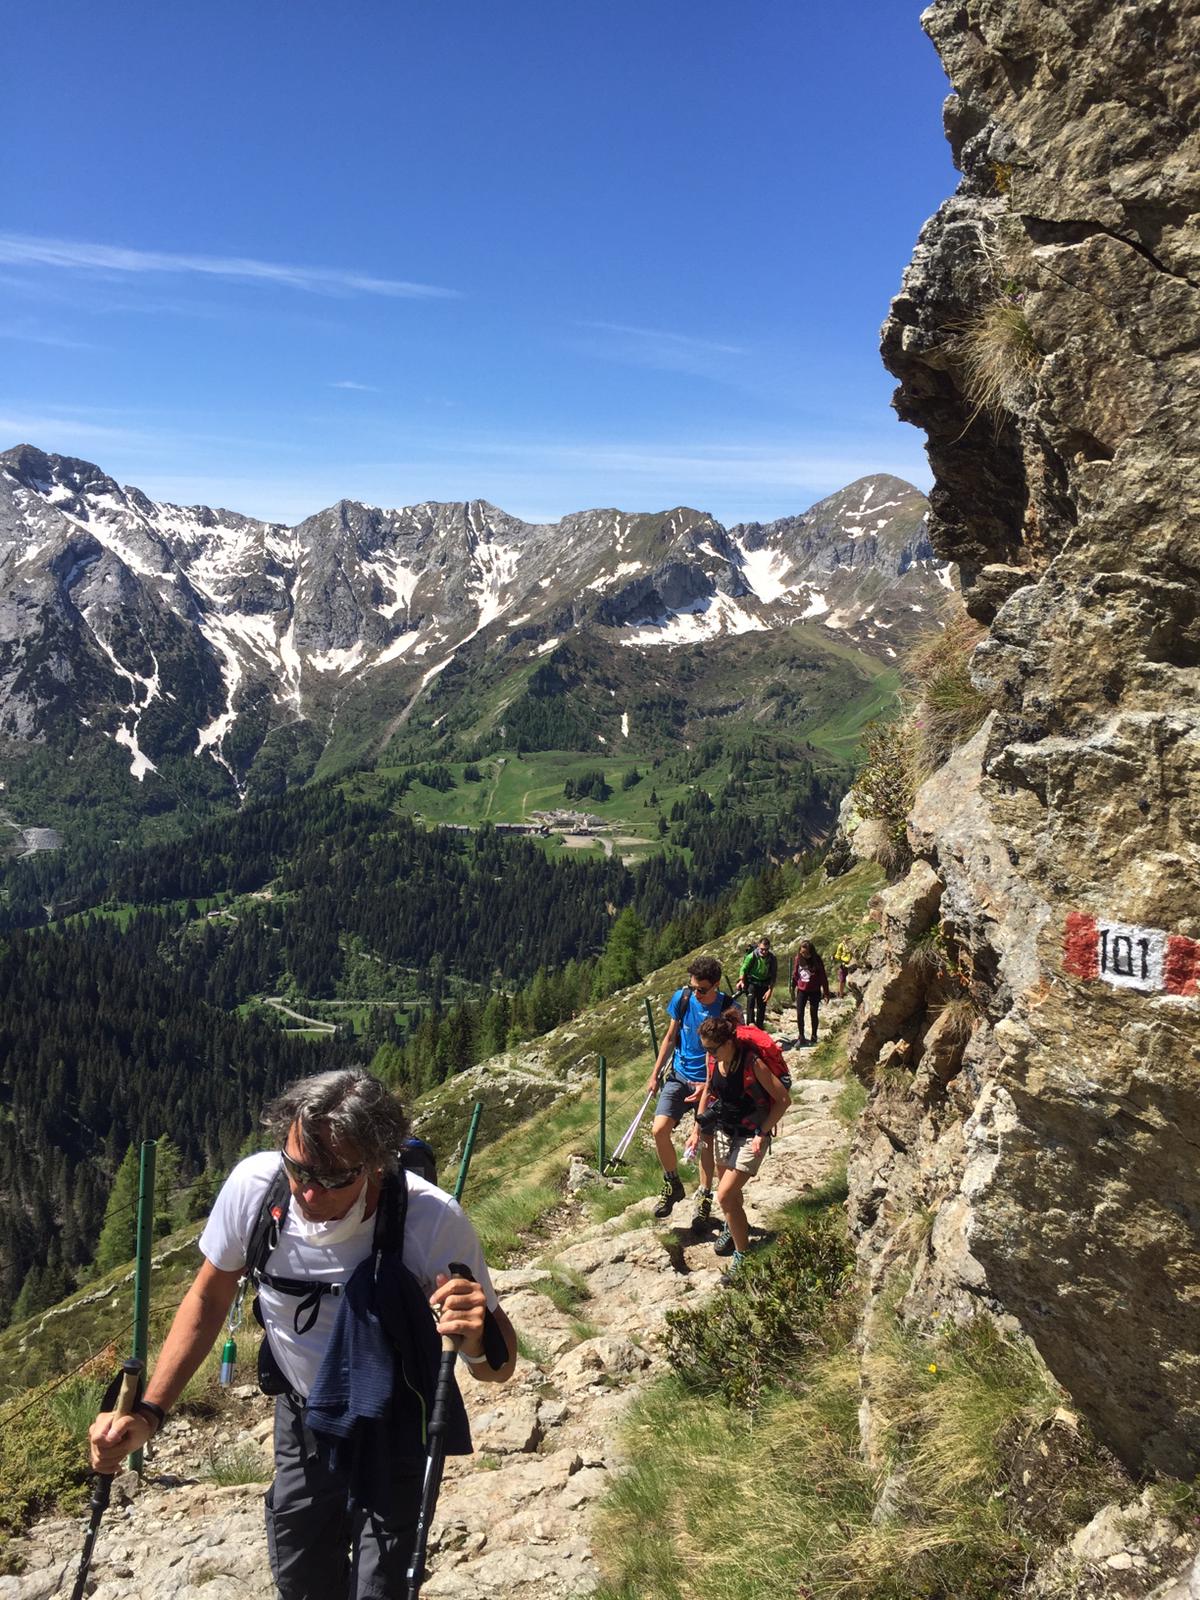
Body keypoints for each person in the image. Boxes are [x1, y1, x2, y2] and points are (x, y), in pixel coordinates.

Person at [89, 1069, 517, 1600]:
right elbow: (207, 1300)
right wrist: (149, 1413)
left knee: (382, 1585)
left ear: (377, 1163)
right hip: (303, 1414)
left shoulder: (431, 1220)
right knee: (300, 1577)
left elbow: (499, 1368)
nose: (309, 1191)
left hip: (396, 1425)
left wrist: (474, 1340)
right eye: (298, 1168)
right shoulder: (255, 1189)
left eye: (334, 1177)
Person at [695, 1010, 791, 1283]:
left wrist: (763, 1132)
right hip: (724, 1131)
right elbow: (708, 1090)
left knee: (724, 1195)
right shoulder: (715, 1060)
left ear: (728, 1043)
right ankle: (735, 1227)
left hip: (751, 1135)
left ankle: (743, 1255)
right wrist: (697, 1128)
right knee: (732, 1196)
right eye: (706, 1049)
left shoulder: (753, 1063)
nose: (709, 1054)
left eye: (712, 1049)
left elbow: (783, 1100)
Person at [645, 955, 737, 1225]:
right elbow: (670, 1037)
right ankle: (672, 1182)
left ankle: (704, 1195)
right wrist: (655, 1074)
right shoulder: (683, 998)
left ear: (716, 985)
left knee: (705, 1140)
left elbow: (730, 1056)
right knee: (659, 1130)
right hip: (680, 1076)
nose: (696, 993)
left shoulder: (728, 1010)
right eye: (693, 987)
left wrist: (709, 1086)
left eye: (702, 989)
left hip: (711, 1083)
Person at [791, 937, 831, 1045]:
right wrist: (793, 988)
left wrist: (826, 993)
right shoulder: (798, 958)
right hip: (801, 990)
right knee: (800, 1013)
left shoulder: (816, 960)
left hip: (814, 990)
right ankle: (801, 1036)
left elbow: (823, 977)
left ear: (810, 952)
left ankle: (814, 1036)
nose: (804, 955)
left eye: (806, 953)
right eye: (802, 952)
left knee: (813, 1013)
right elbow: (795, 974)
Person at [735, 935, 777, 1029]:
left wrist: (770, 990)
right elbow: (743, 969)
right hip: (752, 982)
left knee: (762, 1006)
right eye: (762, 949)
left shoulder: (772, 958)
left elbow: (773, 975)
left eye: (766, 950)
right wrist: (742, 981)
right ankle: (750, 1024)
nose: (764, 952)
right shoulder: (752, 956)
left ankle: (760, 1027)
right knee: (751, 1001)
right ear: (758, 946)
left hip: (764, 984)